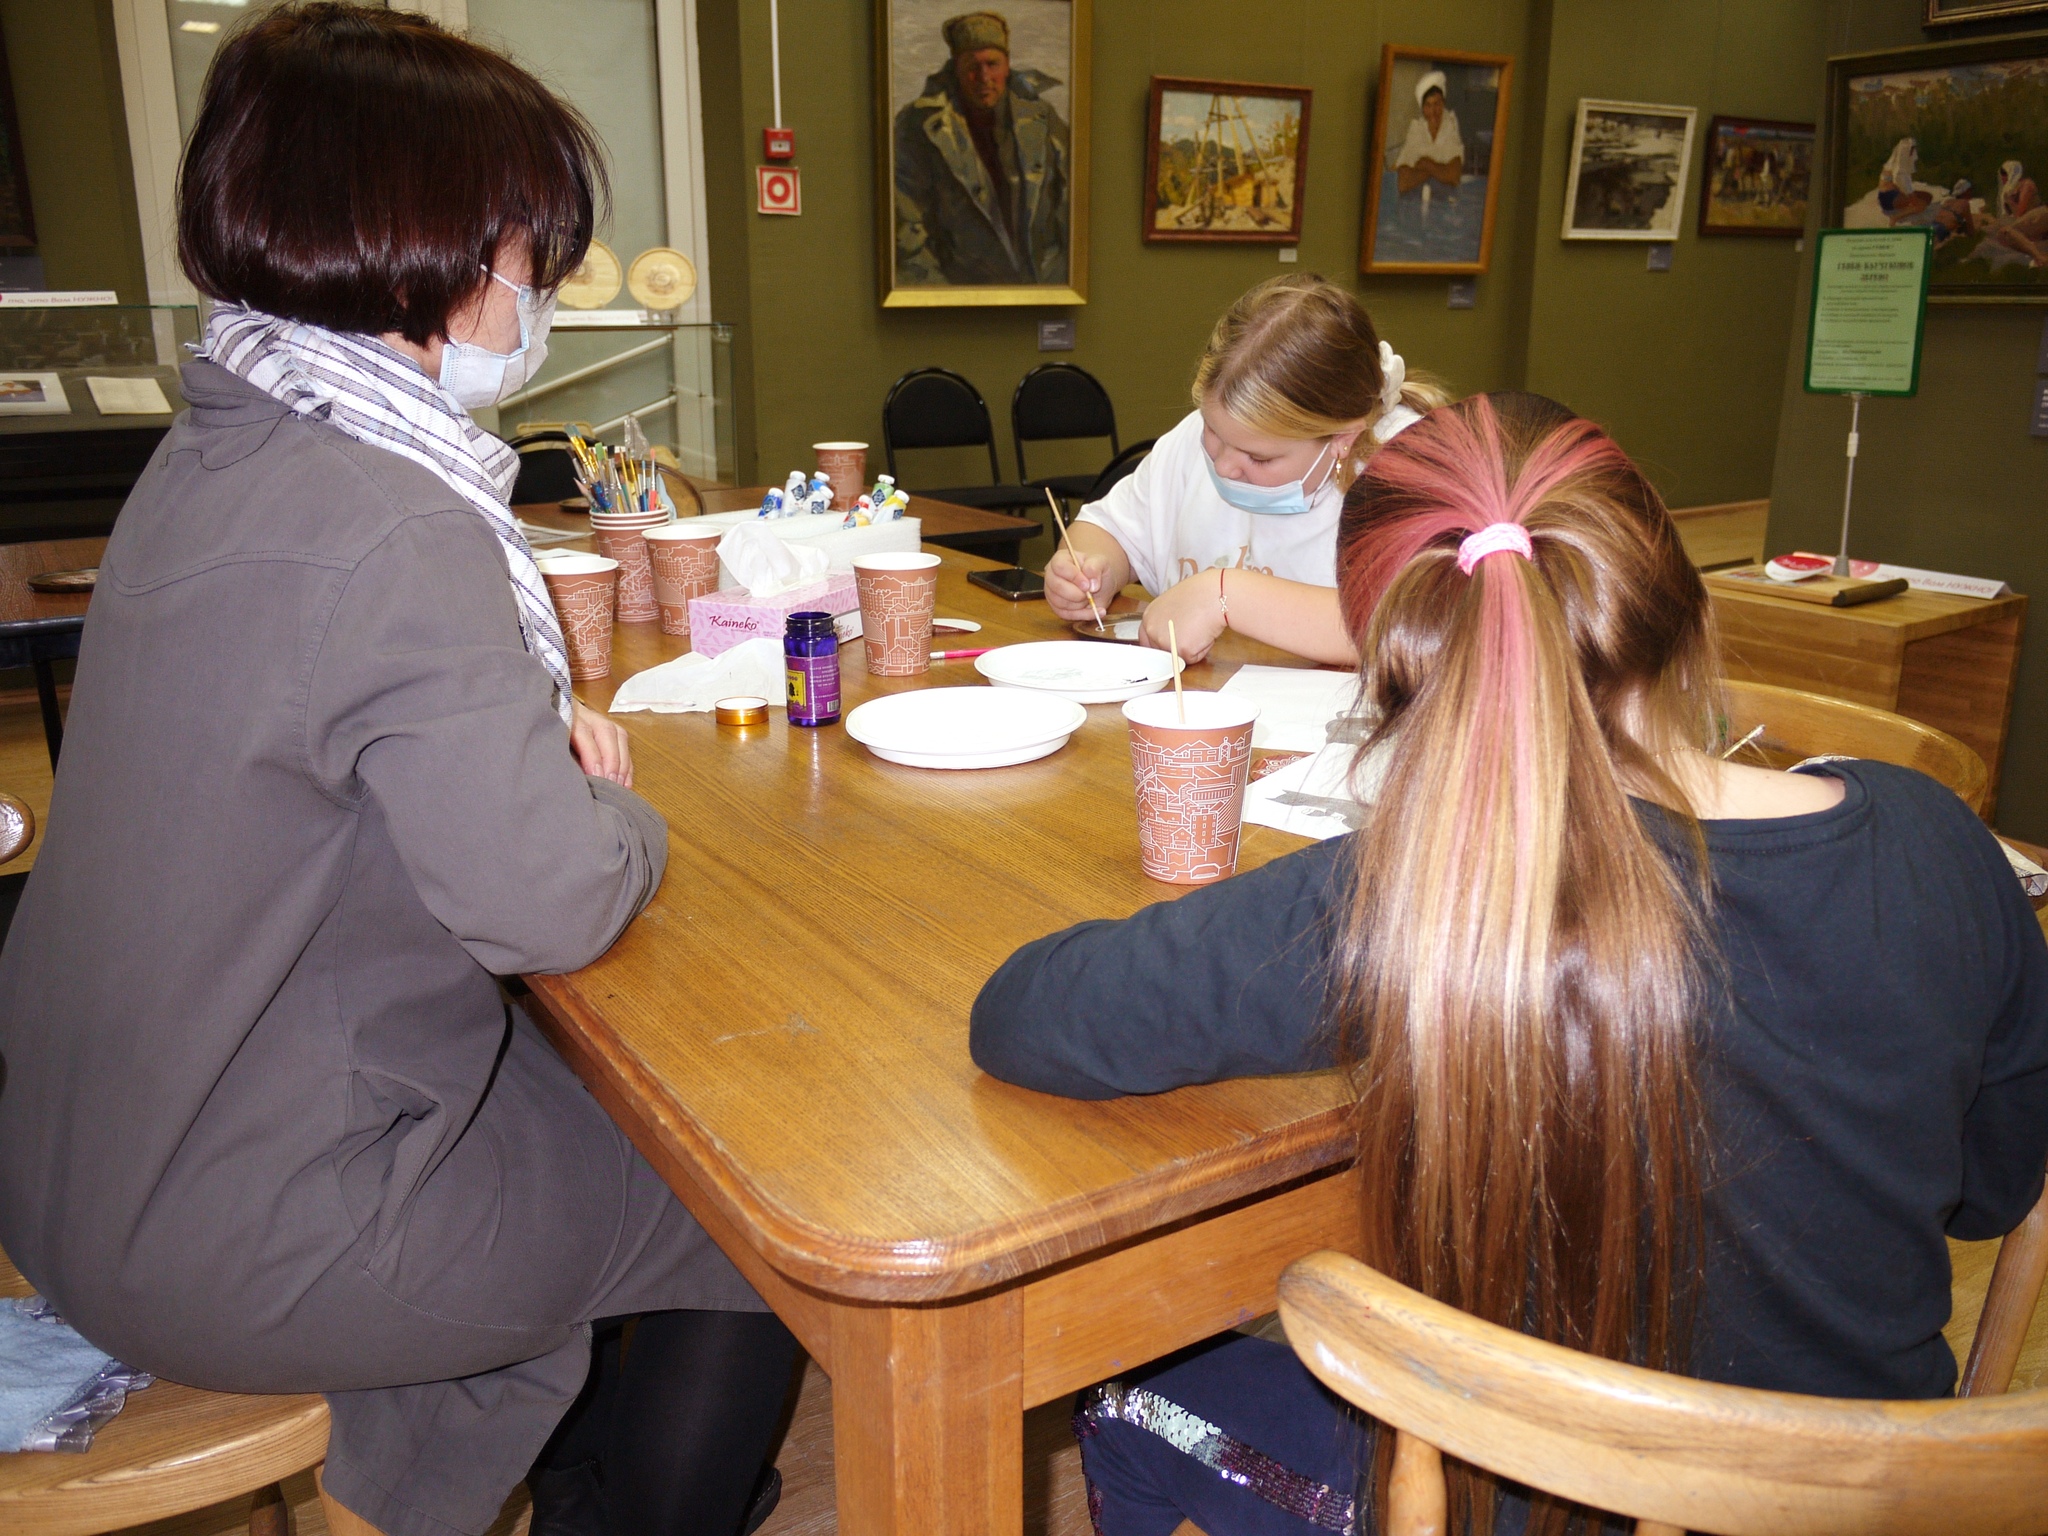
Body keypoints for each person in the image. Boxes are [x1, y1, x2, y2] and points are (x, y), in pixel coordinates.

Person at [973, 392, 2048, 1536]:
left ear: (1392, 663)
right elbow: (1989, 1189)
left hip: (1543, 1500)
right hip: (1885, 1502)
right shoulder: (1938, 842)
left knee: (1134, 1393)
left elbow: (1025, 1016)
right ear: (1677, 604)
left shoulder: (1412, 893)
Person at [0, 9, 795, 1536]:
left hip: (78, 1154)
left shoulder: (223, 439)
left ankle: (581, 1464)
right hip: (233, 1220)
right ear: (441, 240)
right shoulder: (397, 517)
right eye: (532, 251)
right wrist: (614, 810)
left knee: (613, 1123)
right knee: (748, 1208)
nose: (542, 291)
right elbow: (550, 904)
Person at [1046, 274, 1447, 665]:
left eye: (1260, 458)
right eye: (1213, 432)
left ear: (1342, 438)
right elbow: (1108, 530)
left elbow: (1408, 625)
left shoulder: (1406, 468)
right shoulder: (1203, 438)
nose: (1223, 466)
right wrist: (1091, 572)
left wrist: (1224, 595)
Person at [893, 10, 1070, 287]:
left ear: (1008, 65)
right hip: (960, 299)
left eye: (992, 64)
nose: (984, 76)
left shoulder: (1043, 118)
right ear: (956, 68)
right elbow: (907, 235)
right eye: (972, 66)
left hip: (1039, 291)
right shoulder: (918, 126)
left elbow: (1071, 210)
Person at [1393, 70, 1463, 196]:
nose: (1433, 111)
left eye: (1437, 104)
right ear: (1422, 108)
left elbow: (1454, 176)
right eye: (1428, 105)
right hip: (1415, 198)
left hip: (1446, 200)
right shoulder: (1416, 129)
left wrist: (1426, 164)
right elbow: (1403, 183)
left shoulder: (1450, 124)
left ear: (1443, 103)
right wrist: (1439, 170)